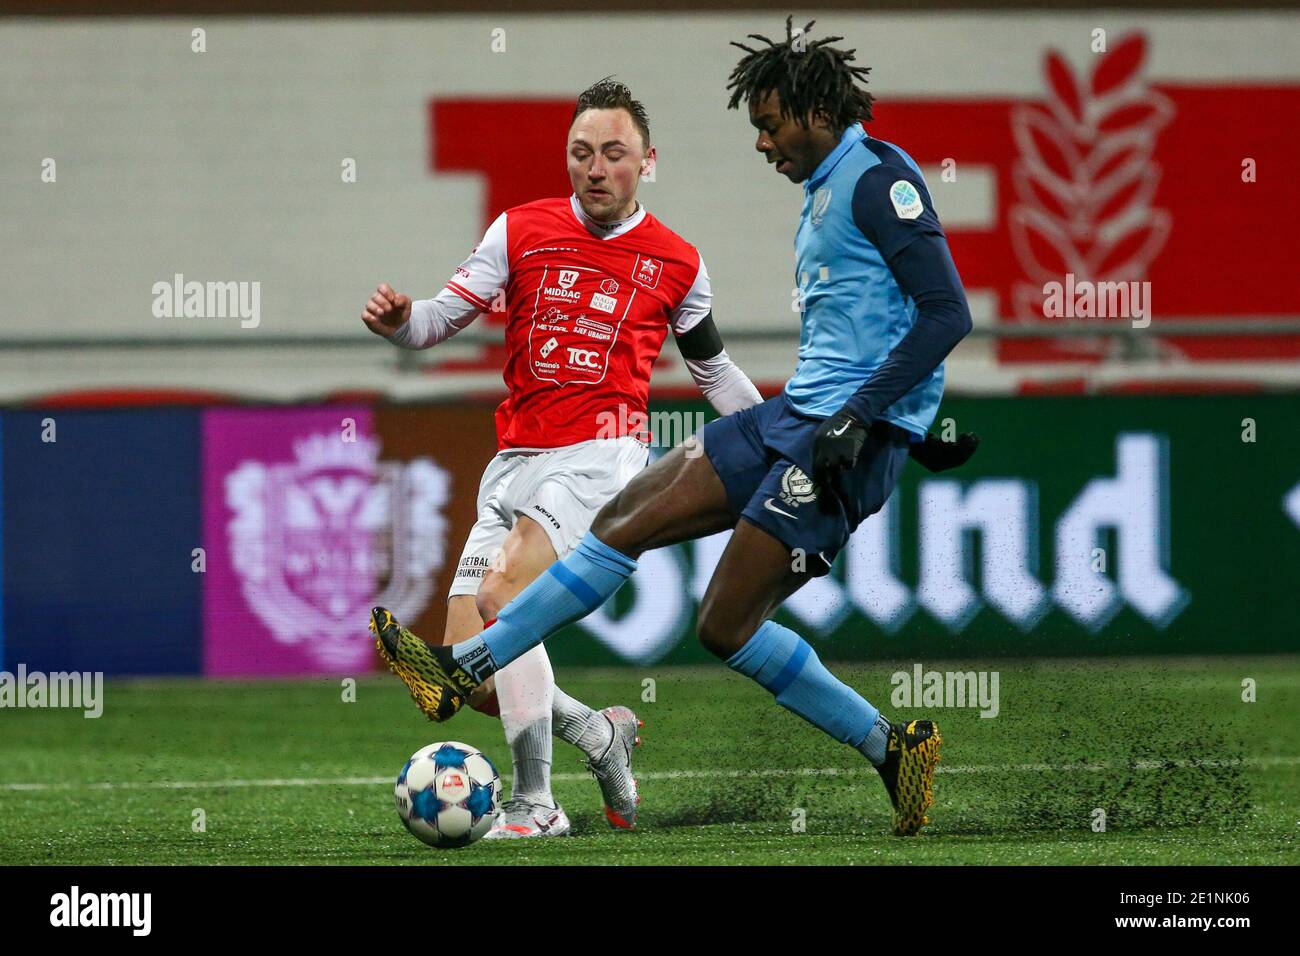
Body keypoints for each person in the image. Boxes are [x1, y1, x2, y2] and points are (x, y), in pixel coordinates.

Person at [371, 21, 980, 836]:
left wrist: (886, 422)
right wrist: (905, 416)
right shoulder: (823, 191)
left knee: (724, 626)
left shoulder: (876, 181)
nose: (763, 143)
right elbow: (878, 329)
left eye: (768, 124)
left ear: (810, 110)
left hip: (845, 437)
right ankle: (467, 670)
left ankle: (891, 748)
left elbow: (947, 311)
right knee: (629, 516)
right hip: (795, 416)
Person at [362, 78, 763, 836]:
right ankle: (597, 734)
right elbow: (436, 322)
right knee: (463, 670)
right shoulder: (518, 229)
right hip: (514, 459)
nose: (596, 168)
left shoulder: (677, 260)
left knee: (503, 604)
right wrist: (401, 319)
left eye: (614, 153)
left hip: (599, 457)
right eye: (581, 153)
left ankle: (535, 805)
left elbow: (712, 370)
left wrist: (782, 434)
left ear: (648, 161)